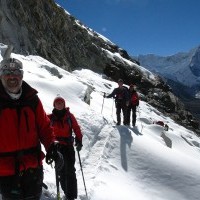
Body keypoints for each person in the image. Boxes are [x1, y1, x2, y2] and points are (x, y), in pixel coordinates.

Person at [0, 57, 63, 200]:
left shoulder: (32, 99)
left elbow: (45, 127)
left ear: (21, 76)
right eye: (7, 71)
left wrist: (51, 146)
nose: (12, 76)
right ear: (1, 75)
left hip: (33, 169)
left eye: (16, 72)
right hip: (6, 171)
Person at [48, 95, 83, 200]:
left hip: (68, 147)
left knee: (70, 171)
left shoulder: (69, 116)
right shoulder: (50, 117)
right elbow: (43, 127)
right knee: (60, 171)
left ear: (64, 104)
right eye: (57, 103)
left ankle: (71, 196)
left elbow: (76, 128)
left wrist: (79, 140)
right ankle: (66, 191)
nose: (59, 105)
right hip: (57, 148)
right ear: (54, 105)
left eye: (61, 103)